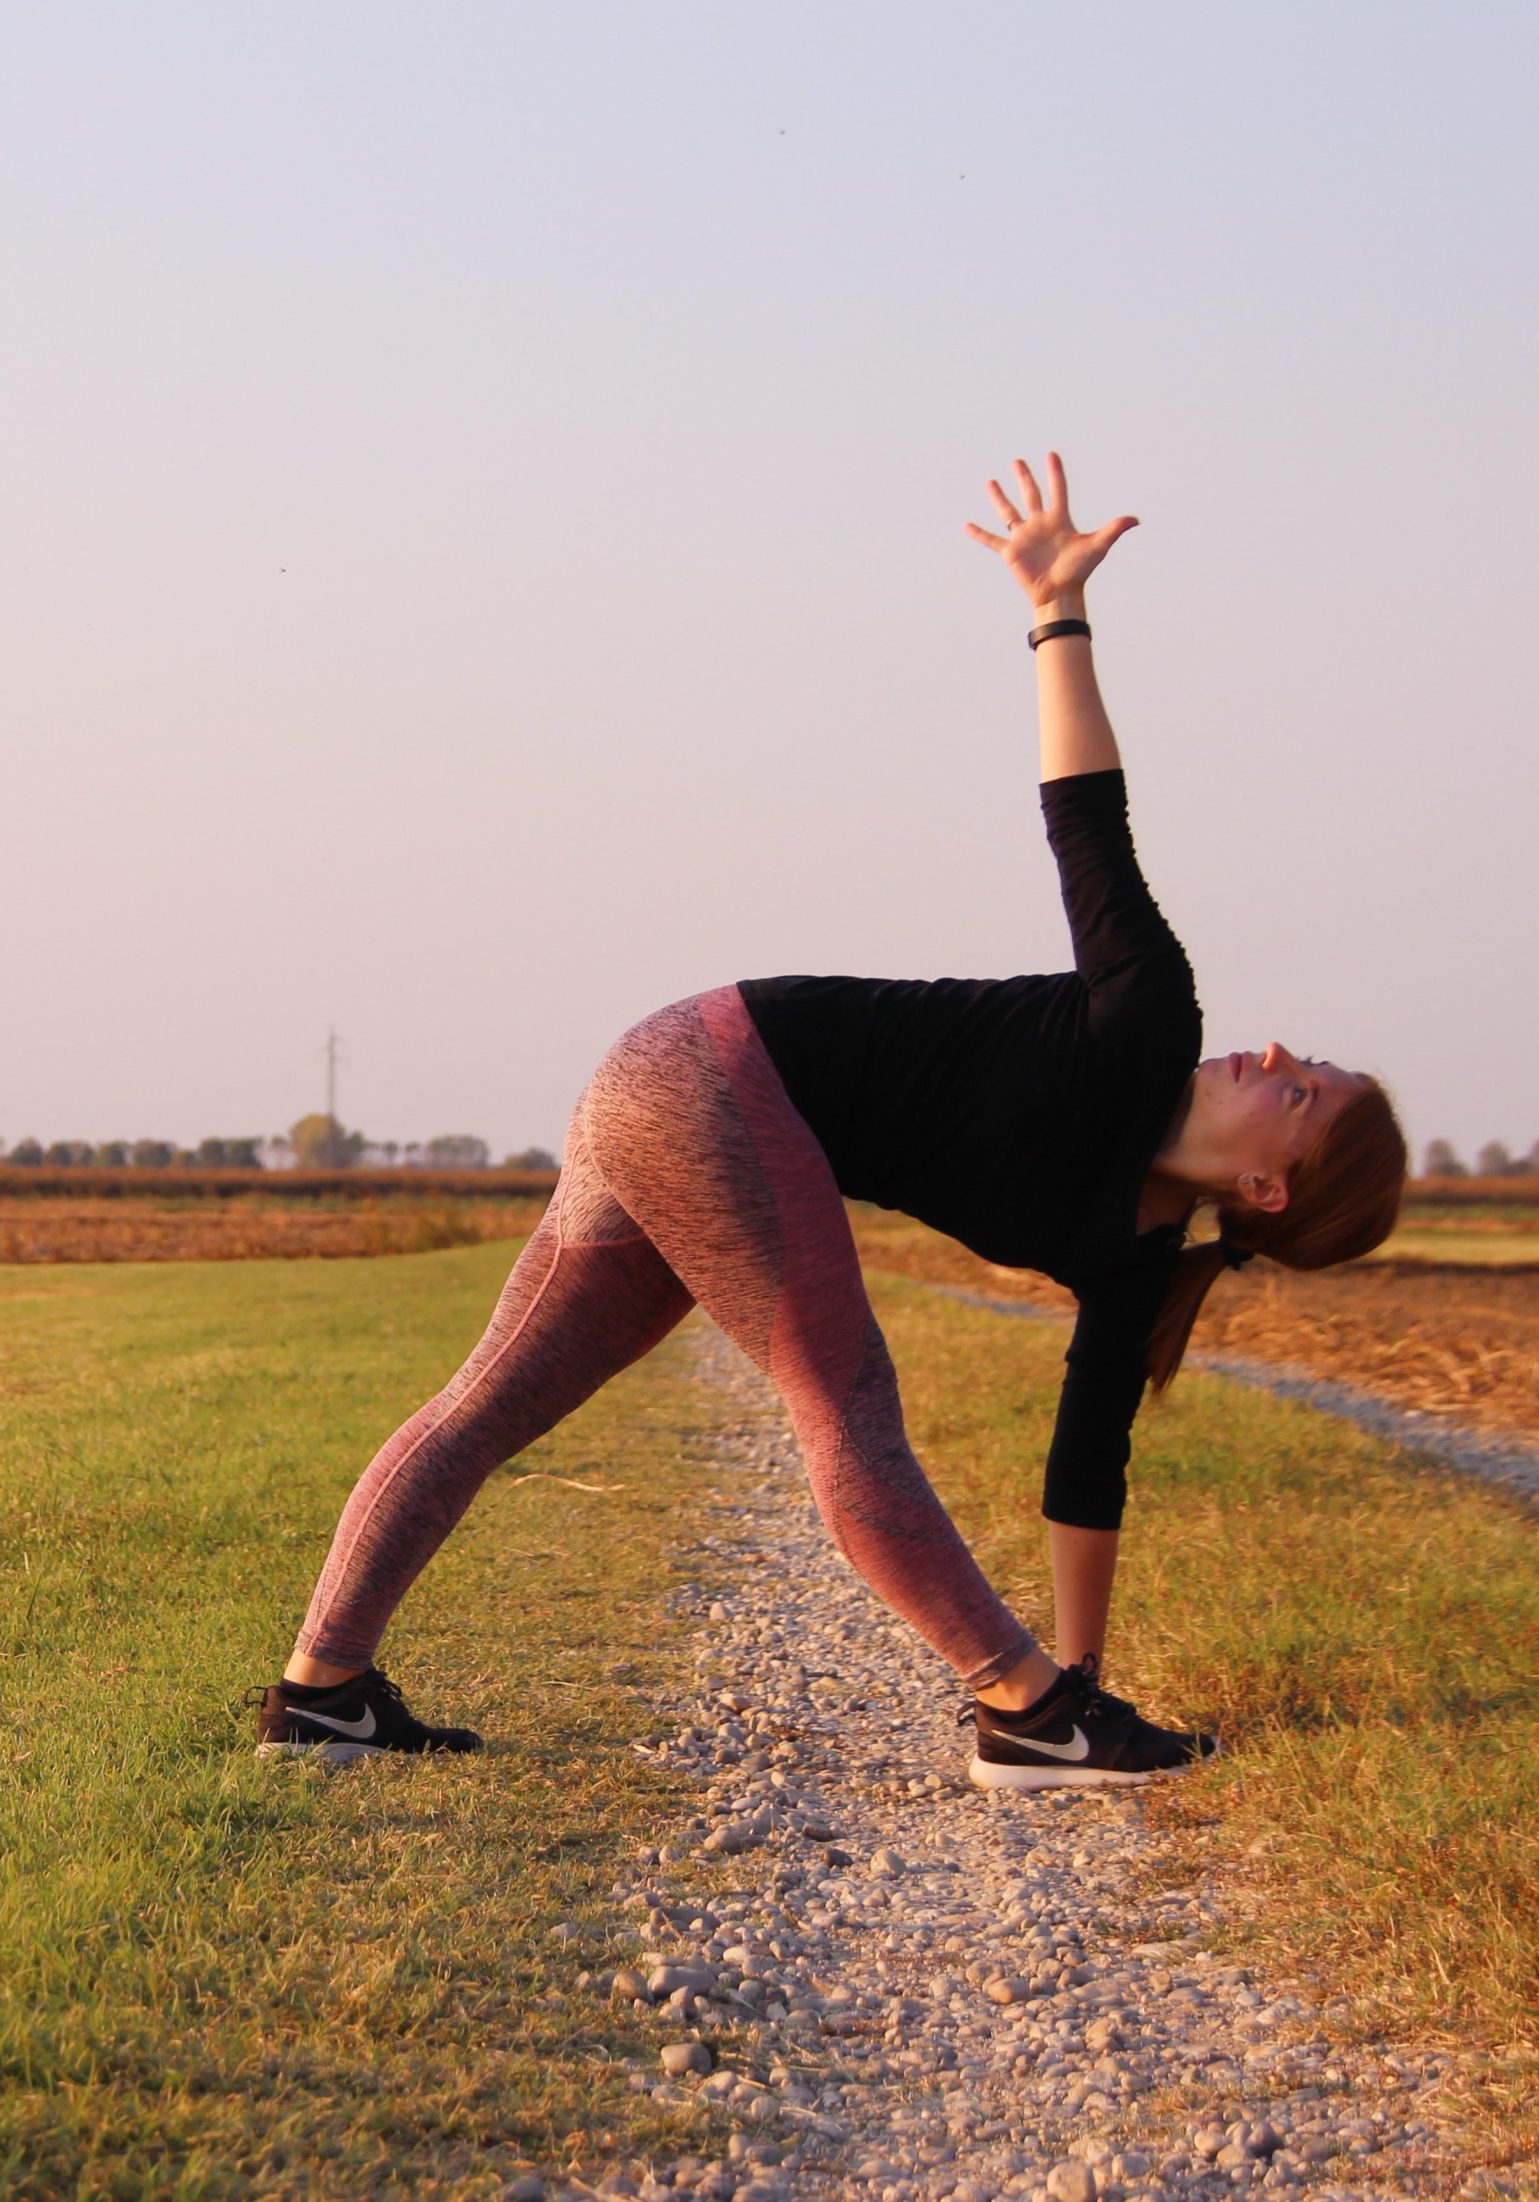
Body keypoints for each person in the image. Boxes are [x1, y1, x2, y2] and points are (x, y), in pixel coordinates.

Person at [250, 456, 1407, 1788]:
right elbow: (1086, 814)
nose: (1271, 1054)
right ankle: (1021, 1713)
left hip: (672, 1089)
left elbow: (1090, 1467)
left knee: (493, 1401)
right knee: (844, 1399)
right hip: (711, 1080)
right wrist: (1056, 615)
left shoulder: (1129, 1256)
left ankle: (321, 1692)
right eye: (1302, 1058)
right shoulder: (1151, 1013)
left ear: (1273, 1191)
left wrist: (1095, 1674)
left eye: (1302, 1092)